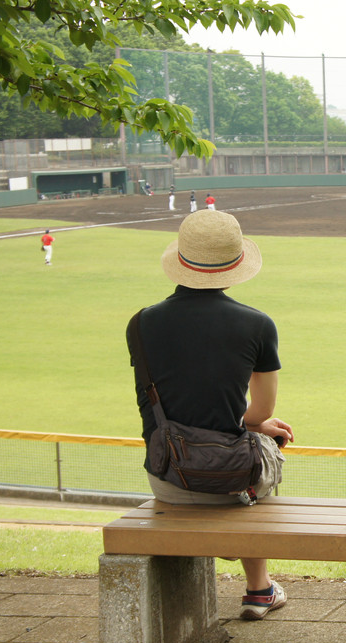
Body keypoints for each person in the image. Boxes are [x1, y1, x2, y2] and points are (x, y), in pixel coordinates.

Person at [127, 209, 294, 620]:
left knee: (251, 439)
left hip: (167, 478)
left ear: (182, 260)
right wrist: (257, 427)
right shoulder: (257, 325)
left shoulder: (141, 324)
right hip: (230, 483)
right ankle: (259, 590)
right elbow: (262, 411)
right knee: (266, 444)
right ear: (235, 266)